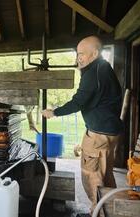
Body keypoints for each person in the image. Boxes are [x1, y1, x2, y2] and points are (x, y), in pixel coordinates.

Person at [41, 36, 123, 216]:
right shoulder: (103, 68)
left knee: (92, 176)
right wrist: (82, 68)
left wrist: (54, 112)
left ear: (95, 53)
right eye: (77, 54)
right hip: (109, 132)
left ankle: (98, 212)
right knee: (105, 174)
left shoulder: (93, 73)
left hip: (98, 135)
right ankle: (111, 211)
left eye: (82, 54)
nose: (79, 58)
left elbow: (78, 101)